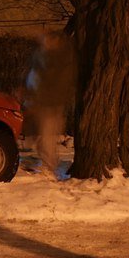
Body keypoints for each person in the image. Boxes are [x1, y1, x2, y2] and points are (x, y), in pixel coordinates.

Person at [24, 30, 76, 177]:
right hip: (40, 101)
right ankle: (47, 163)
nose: (44, 42)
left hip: (50, 104)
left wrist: (41, 98)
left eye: (47, 39)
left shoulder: (59, 60)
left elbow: (57, 83)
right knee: (40, 136)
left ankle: (49, 167)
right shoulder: (42, 56)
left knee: (47, 136)